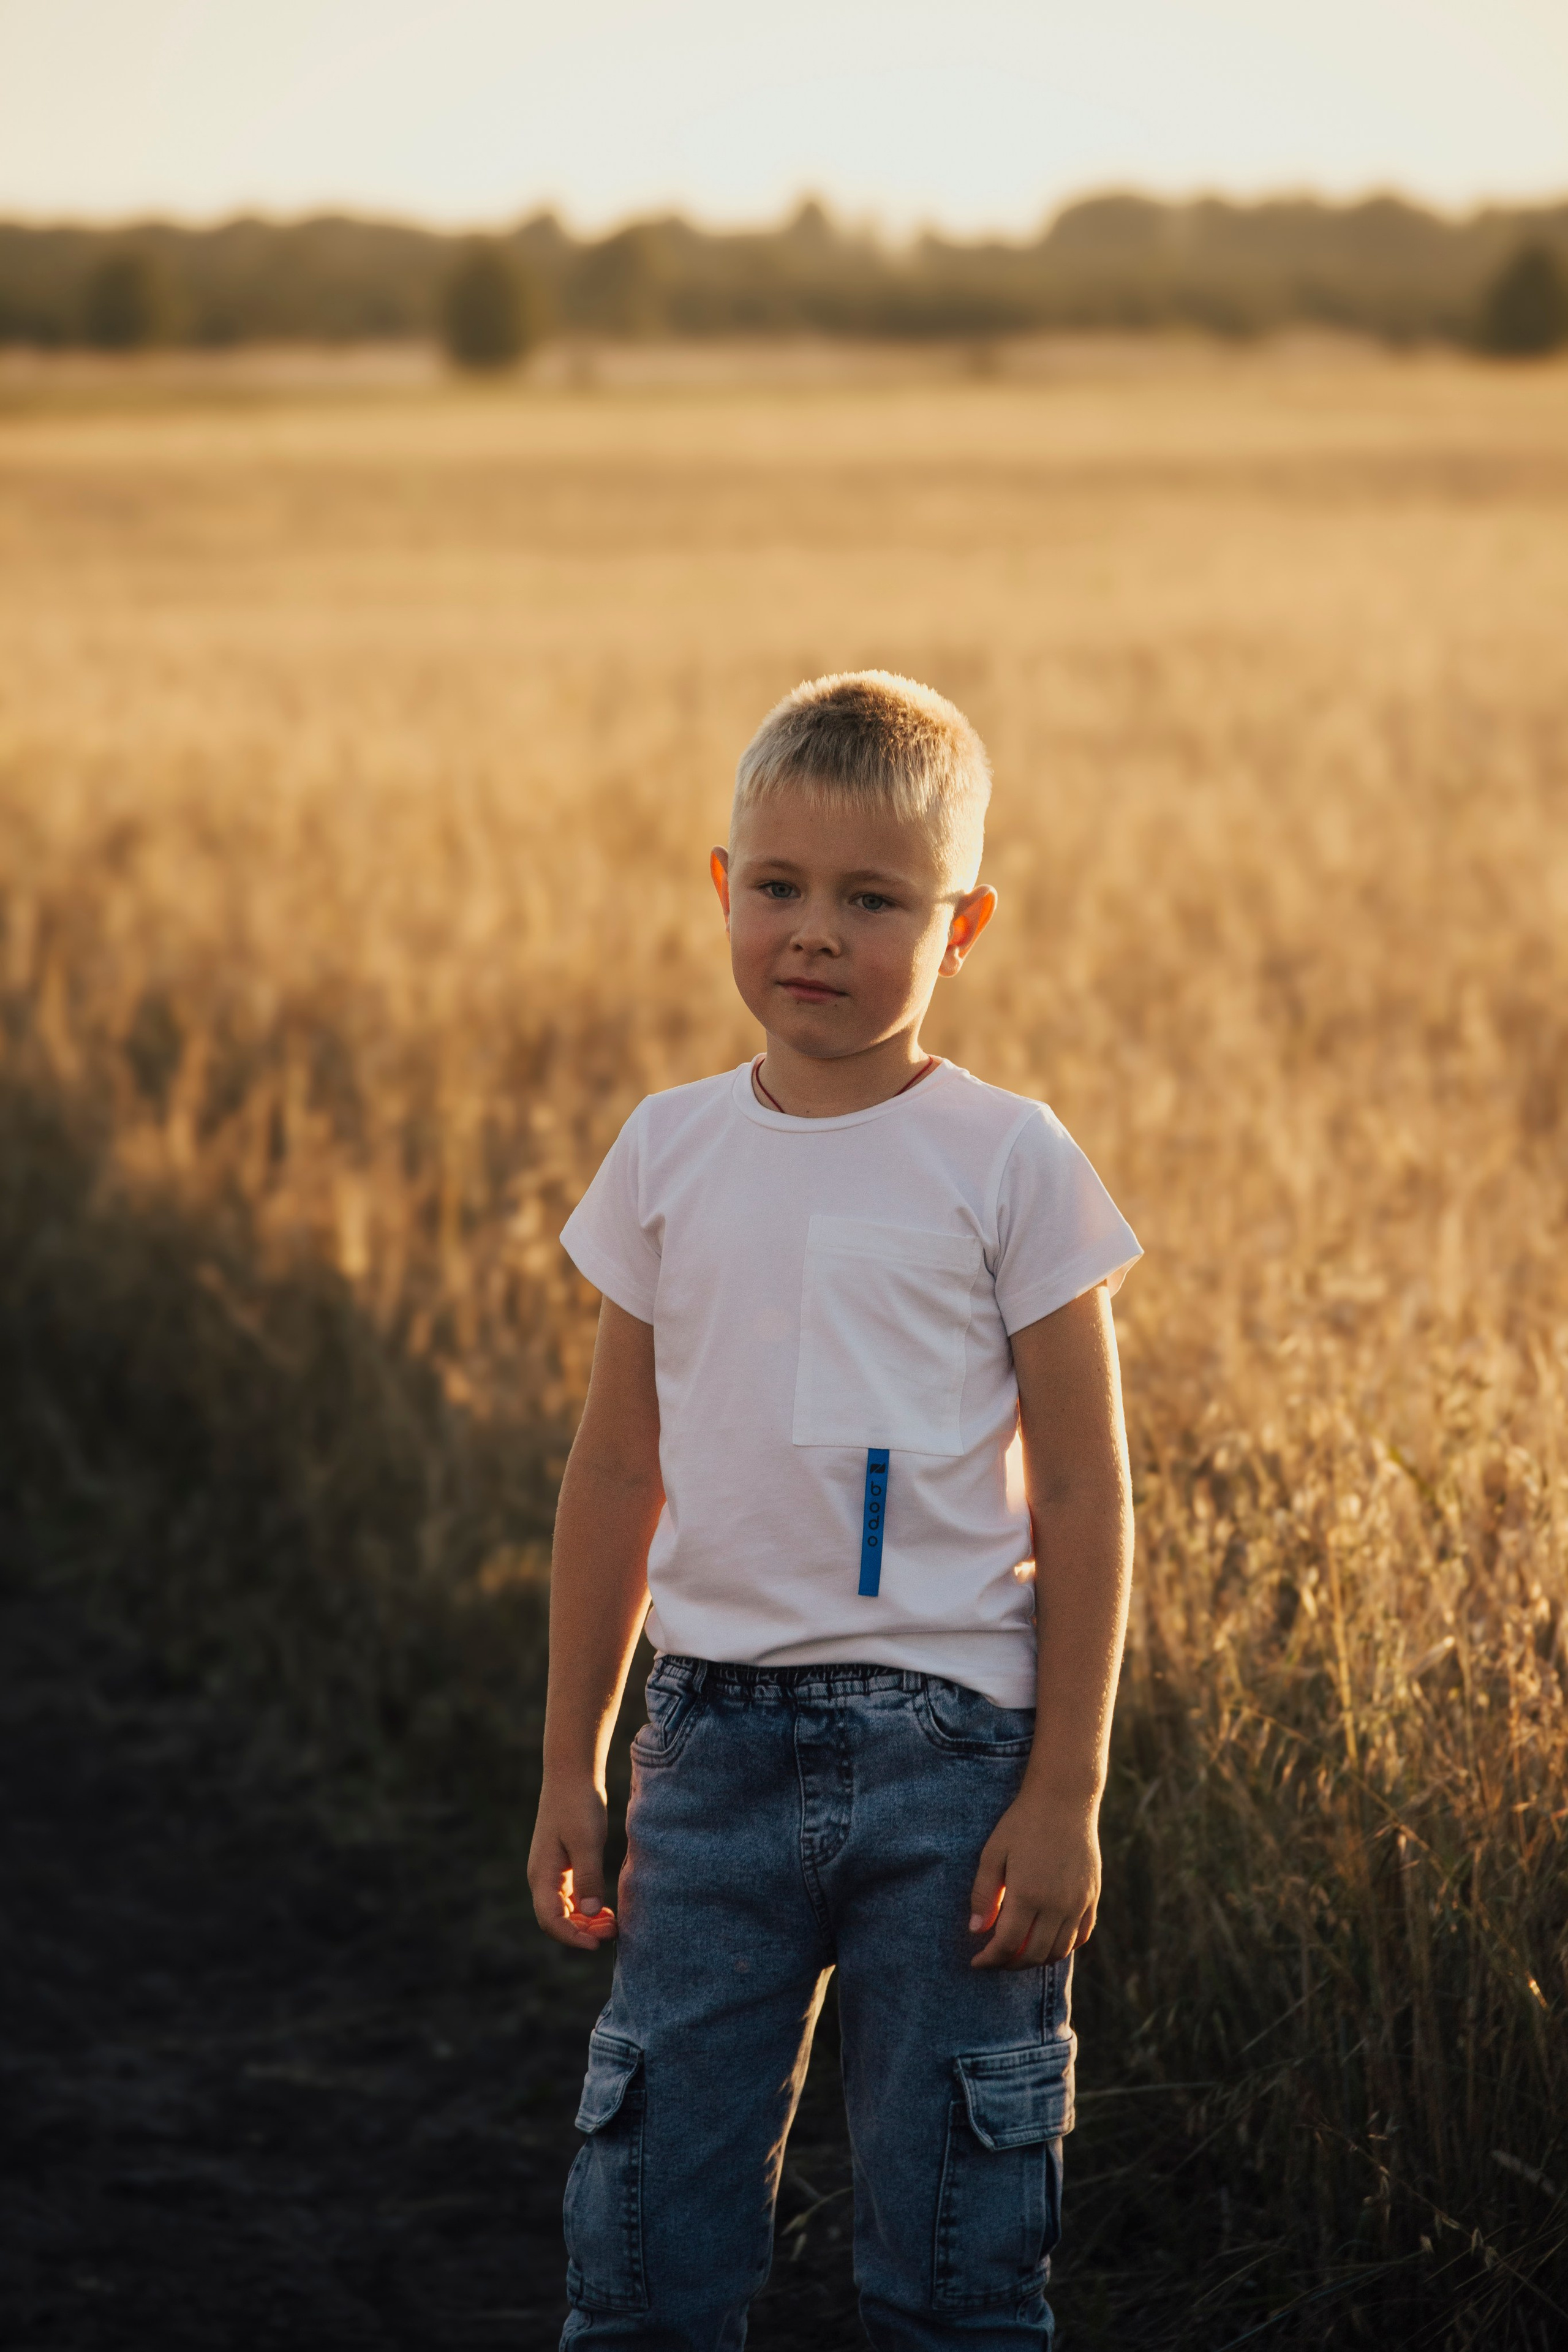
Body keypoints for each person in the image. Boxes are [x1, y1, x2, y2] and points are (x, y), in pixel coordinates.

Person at [529, 671, 1140, 2350]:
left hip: (956, 1778)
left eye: (876, 899)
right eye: (781, 887)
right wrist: (573, 1753)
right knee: (648, 2251)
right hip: (704, 1760)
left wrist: (1067, 1788)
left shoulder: (1012, 1163)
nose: (818, 933)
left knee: (954, 2264)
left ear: (967, 926)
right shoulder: (664, 1156)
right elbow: (613, 1472)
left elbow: (1085, 1492)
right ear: (724, 890)